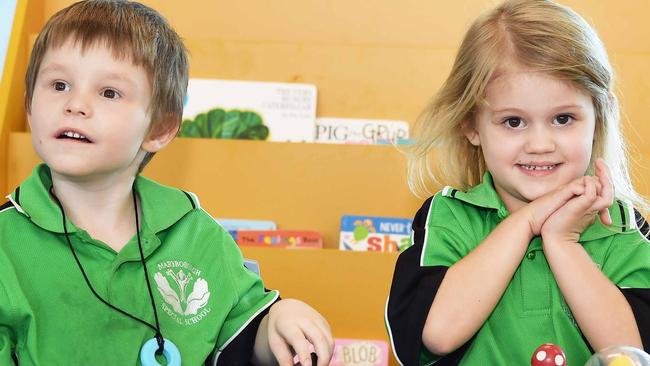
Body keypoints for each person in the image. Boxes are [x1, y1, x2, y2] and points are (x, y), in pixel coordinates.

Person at [0, 1, 333, 365]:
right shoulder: (6, 238)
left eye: (109, 92)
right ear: (30, 104)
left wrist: (279, 321)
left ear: (159, 129)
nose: (76, 104)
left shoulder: (194, 231)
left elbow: (244, 331)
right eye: (59, 84)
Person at [385, 0, 650, 365]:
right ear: (471, 126)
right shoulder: (448, 216)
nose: (540, 145)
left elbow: (631, 353)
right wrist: (526, 221)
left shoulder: (622, 226)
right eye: (513, 122)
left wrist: (563, 241)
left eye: (563, 118)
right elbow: (438, 333)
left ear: (598, 116)